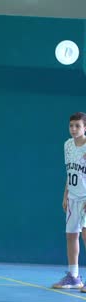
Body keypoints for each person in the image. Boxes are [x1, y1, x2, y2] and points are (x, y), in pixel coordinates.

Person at [53, 111, 86, 291]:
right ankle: (73, 277)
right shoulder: (67, 145)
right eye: (71, 126)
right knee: (71, 235)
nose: (73, 129)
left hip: (85, 198)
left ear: (85, 128)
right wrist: (65, 194)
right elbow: (70, 172)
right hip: (73, 196)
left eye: (78, 126)